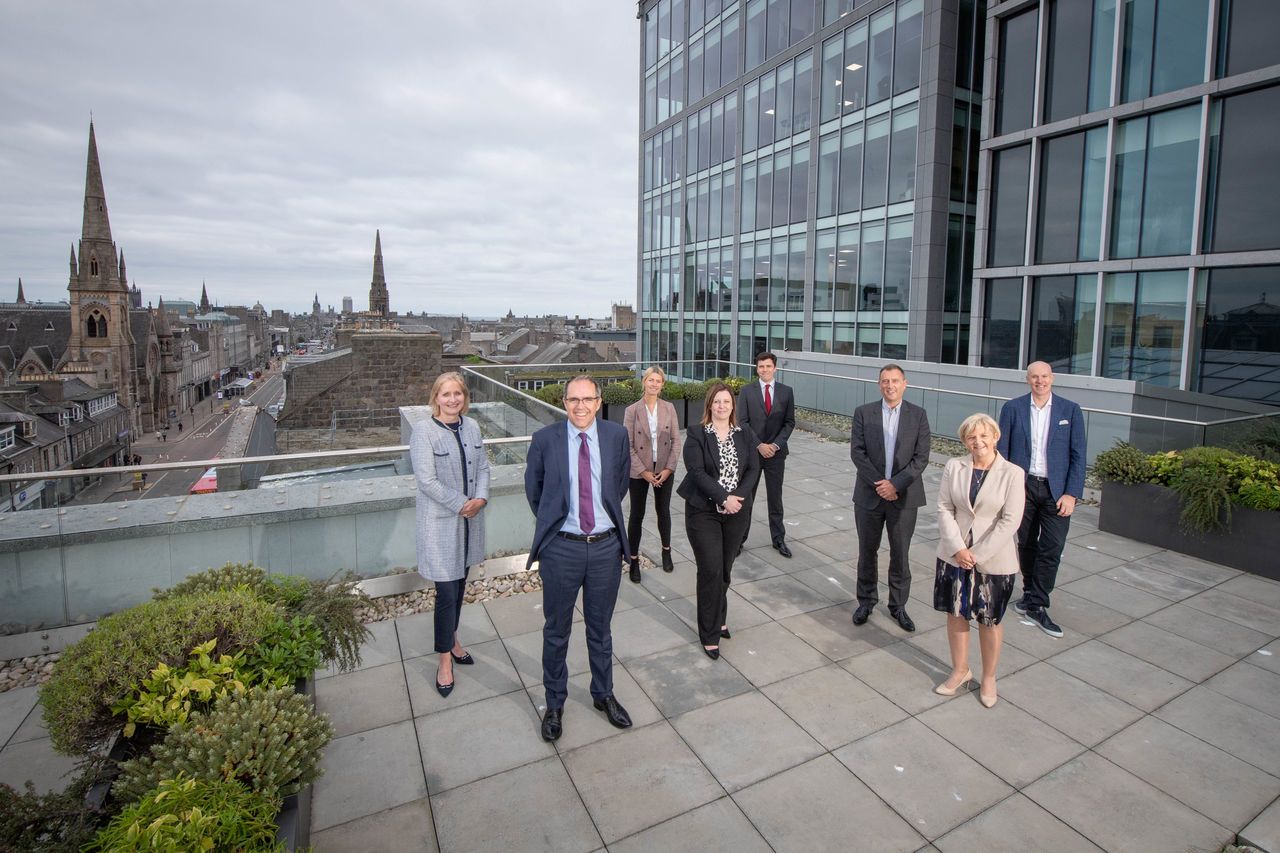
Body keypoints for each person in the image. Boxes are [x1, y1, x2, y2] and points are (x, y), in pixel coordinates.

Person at [525, 375, 633, 742]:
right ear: (564, 402)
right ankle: (554, 703)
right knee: (556, 631)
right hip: (562, 549)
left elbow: (618, 485)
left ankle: (603, 695)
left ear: (599, 402)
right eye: (574, 399)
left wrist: (606, 533)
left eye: (588, 399)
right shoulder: (545, 440)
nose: (581, 406)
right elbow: (536, 493)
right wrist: (558, 532)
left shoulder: (617, 437)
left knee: (600, 630)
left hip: (605, 547)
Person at [933, 414, 1025, 708]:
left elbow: (1010, 521)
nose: (978, 442)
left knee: (989, 618)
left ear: (995, 437)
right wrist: (958, 548)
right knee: (956, 612)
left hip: (994, 558)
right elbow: (944, 507)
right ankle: (961, 670)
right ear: (965, 441)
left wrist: (977, 554)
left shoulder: (1012, 473)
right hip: (954, 554)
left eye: (984, 436)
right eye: (972, 437)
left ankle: (988, 677)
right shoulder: (954, 467)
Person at [409, 372, 490, 698]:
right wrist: (462, 504)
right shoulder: (423, 433)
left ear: (464, 397)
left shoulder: (472, 427)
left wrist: (481, 499)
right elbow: (426, 481)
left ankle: (453, 639)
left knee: (459, 587)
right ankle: (444, 659)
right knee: (445, 594)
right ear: (436, 398)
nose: (453, 399)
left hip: (470, 524)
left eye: (458, 393)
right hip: (441, 525)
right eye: (446, 394)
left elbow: (483, 467)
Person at [997, 361, 1086, 639]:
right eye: (1035, 377)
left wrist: (1072, 493)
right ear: (1027, 380)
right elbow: (1003, 453)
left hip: (1056, 492)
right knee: (1025, 544)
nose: (1040, 381)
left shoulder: (1069, 410)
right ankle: (1029, 596)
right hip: (1023, 488)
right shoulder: (1012, 409)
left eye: (1045, 376)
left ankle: (1037, 602)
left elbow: (1078, 455)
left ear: (1052, 378)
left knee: (1052, 547)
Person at [677, 383, 761, 659]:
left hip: (736, 512)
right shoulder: (697, 433)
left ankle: (719, 617)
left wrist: (737, 497)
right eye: (717, 402)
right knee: (710, 569)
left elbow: (753, 468)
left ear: (733, 406)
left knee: (725, 568)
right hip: (704, 511)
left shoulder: (744, 432)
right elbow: (697, 472)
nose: (722, 406)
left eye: (726, 401)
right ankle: (709, 633)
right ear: (710, 406)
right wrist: (723, 498)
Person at [849, 364, 931, 633]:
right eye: (885, 381)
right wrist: (881, 484)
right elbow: (858, 454)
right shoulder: (863, 413)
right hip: (869, 495)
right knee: (866, 551)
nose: (890, 385)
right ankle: (866, 601)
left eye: (895, 380)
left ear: (905, 384)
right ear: (879, 384)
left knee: (900, 553)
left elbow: (921, 458)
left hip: (903, 496)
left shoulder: (918, 415)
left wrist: (895, 484)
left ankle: (898, 606)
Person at [623, 366, 681, 583]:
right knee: (636, 515)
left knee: (663, 511)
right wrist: (644, 472)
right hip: (639, 470)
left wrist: (668, 469)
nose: (654, 384)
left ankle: (666, 550)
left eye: (658, 381)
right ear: (644, 382)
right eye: (651, 380)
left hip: (664, 468)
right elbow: (627, 445)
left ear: (662, 385)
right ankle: (634, 560)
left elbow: (676, 441)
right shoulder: (632, 410)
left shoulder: (669, 408)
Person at [737, 351, 796, 557]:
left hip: (776, 454)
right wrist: (759, 445)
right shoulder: (746, 391)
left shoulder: (786, 392)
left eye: (768, 366)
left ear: (775, 368)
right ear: (757, 369)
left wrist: (775, 445)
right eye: (761, 367)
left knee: (775, 498)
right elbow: (742, 422)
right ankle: (739, 540)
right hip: (752, 453)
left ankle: (778, 539)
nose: (764, 370)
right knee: (747, 497)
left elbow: (789, 422)